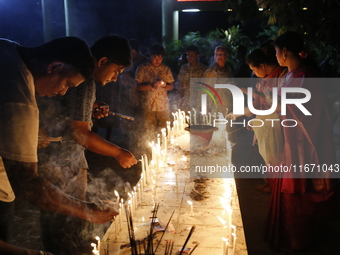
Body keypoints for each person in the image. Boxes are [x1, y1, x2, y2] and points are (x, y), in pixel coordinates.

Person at [0, 37, 117, 254]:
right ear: (54, 66)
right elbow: (29, 184)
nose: (63, 92)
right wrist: (86, 210)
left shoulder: (7, 48)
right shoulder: (20, 99)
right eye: (66, 84)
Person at [37, 35, 137, 255]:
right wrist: (118, 152)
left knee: (64, 227)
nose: (115, 78)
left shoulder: (80, 78)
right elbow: (79, 133)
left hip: (61, 161)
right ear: (102, 61)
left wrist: (89, 110)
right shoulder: (85, 80)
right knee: (65, 228)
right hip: (62, 164)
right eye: (116, 71)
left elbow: (66, 114)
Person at [264, 31, 337, 251]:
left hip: (300, 146)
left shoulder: (305, 78)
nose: (276, 56)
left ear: (285, 52)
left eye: (277, 51)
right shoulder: (290, 75)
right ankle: (288, 237)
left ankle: (297, 241)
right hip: (288, 144)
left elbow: (307, 113)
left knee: (296, 190)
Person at [135, 43, 174, 135]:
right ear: (150, 55)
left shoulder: (165, 69)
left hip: (163, 106)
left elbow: (171, 86)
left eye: (160, 58)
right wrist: (151, 85)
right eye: (155, 57)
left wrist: (165, 86)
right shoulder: (142, 69)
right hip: (148, 106)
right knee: (148, 132)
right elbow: (137, 87)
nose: (158, 60)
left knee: (164, 131)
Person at [178, 45, 207, 111]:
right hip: (186, 100)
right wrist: (179, 98)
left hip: (198, 101)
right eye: (188, 55)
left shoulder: (203, 69)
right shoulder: (184, 68)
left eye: (192, 55)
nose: (189, 57)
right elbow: (181, 84)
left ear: (197, 56)